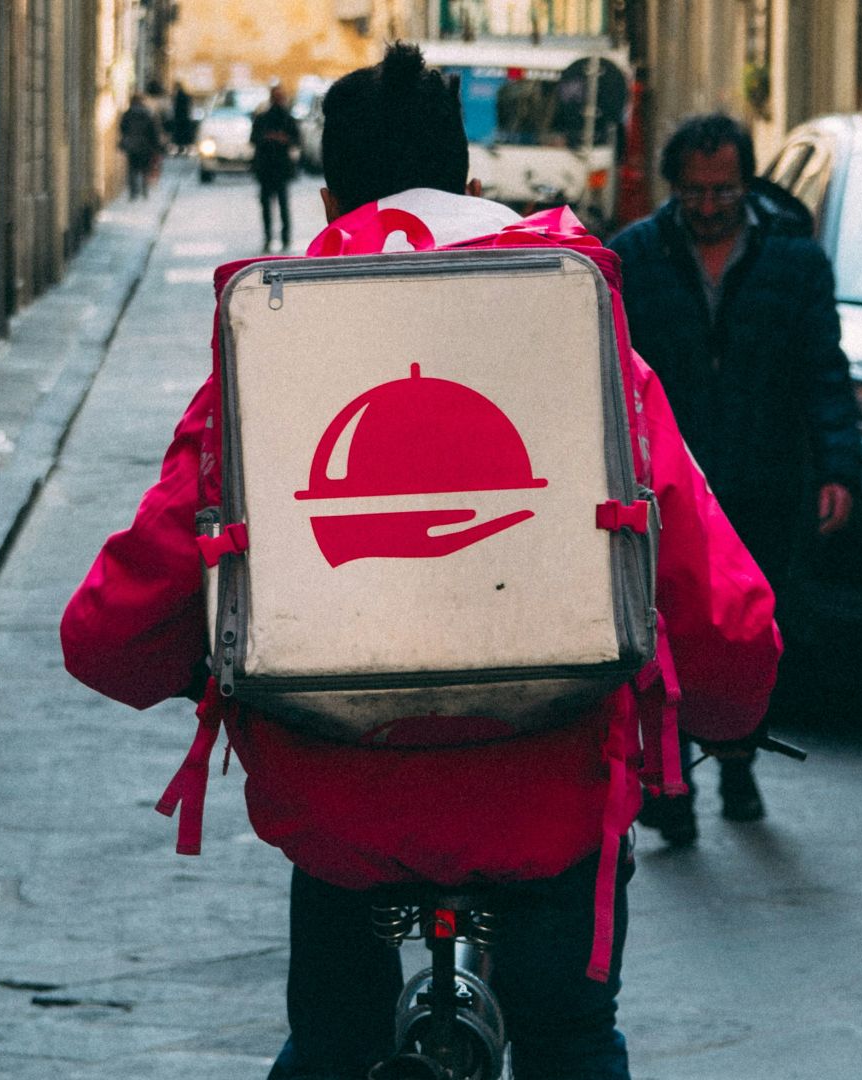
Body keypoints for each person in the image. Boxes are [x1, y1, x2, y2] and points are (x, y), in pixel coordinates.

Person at [60, 44, 781, 1080]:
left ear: (328, 199)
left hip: (343, 808)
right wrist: (725, 706)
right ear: (473, 186)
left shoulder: (271, 355)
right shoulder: (582, 337)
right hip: (551, 798)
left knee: (333, 1044)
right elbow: (715, 596)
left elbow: (111, 628)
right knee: (572, 1041)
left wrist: (190, 667)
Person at [607, 113, 862, 844]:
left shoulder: (796, 262)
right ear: (673, 188)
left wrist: (839, 467)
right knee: (671, 636)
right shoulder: (636, 259)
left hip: (766, 479)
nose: (710, 207)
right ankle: (673, 787)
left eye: (723, 191)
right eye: (694, 193)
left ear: (746, 184)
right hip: (671, 489)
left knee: (752, 634)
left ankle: (740, 761)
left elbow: (824, 371)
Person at [251, 83, 301, 253]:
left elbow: (296, 139)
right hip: (266, 167)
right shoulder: (262, 118)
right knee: (267, 205)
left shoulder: (288, 118)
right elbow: (254, 138)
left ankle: (285, 237)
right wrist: (269, 138)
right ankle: (268, 237)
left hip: (280, 168)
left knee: (283, 204)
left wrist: (283, 139)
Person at [119, 92, 164, 200]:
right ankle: (144, 191)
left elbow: (122, 128)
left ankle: (133, 192)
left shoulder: (127, 113)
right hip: (145, 145)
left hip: (132, 145)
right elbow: (153, 131)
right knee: (145, 169)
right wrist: (156, 146)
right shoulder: (148, 113)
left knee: (132, 169)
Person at [169, 82, 197, 155]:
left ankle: (180, 149)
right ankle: (186, 149)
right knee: (185, 136)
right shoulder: (186, 96)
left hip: (179, 119)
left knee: (179, 136)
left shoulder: (177, 96)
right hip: (185, 119)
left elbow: (174, 108)